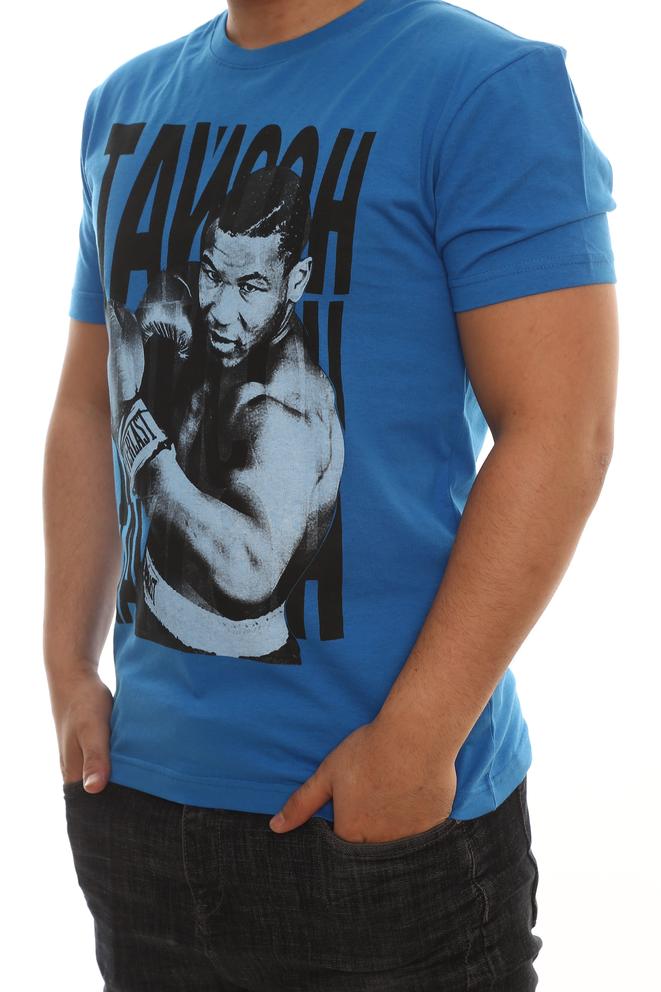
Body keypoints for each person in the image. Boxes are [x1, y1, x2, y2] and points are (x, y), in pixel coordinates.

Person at [43, 0, 618, 989]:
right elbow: (85, 403)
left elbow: (562, 432)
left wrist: (413, 745)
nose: (223, 308)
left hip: (377, 825)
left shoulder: (482, 88)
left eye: (251, 288)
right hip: (138, 804)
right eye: (212, 279)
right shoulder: (125, 103)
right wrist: (64, 664)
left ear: (295, 280)